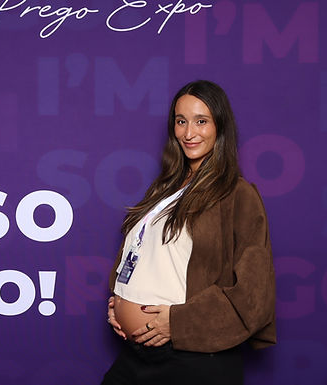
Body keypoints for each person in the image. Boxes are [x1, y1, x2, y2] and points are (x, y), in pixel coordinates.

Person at [102, 80, 276, 385]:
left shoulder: (237, 194)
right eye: (181, 121)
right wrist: (120, 301)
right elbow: (146, 256)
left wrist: (178, 323)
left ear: (220, 127)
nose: (188, 132)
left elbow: (254, 295)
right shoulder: (164, 188)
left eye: (201, 121)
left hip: (193, 360)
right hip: (136, 355)